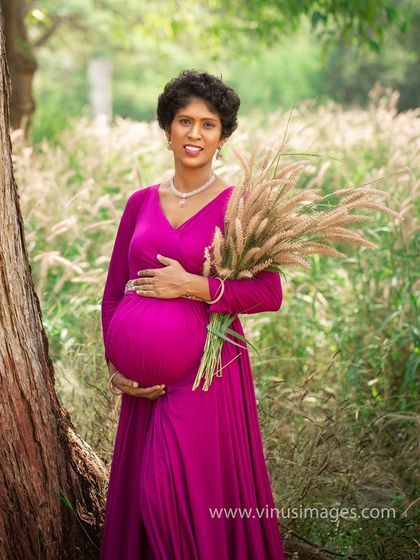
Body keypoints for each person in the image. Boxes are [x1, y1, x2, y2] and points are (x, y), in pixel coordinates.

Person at [100, 70, 286, 559]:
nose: (195, 134)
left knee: (168, 499)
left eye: (208, 124)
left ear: (222, 137)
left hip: (208, 375)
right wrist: (117, 366)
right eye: (185, 121)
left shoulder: (239, 206)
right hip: (143, 386)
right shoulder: (140, 203)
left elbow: (269, 292)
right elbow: (113, 293)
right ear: (167, 130)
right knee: (143, 507)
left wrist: (197, 286)